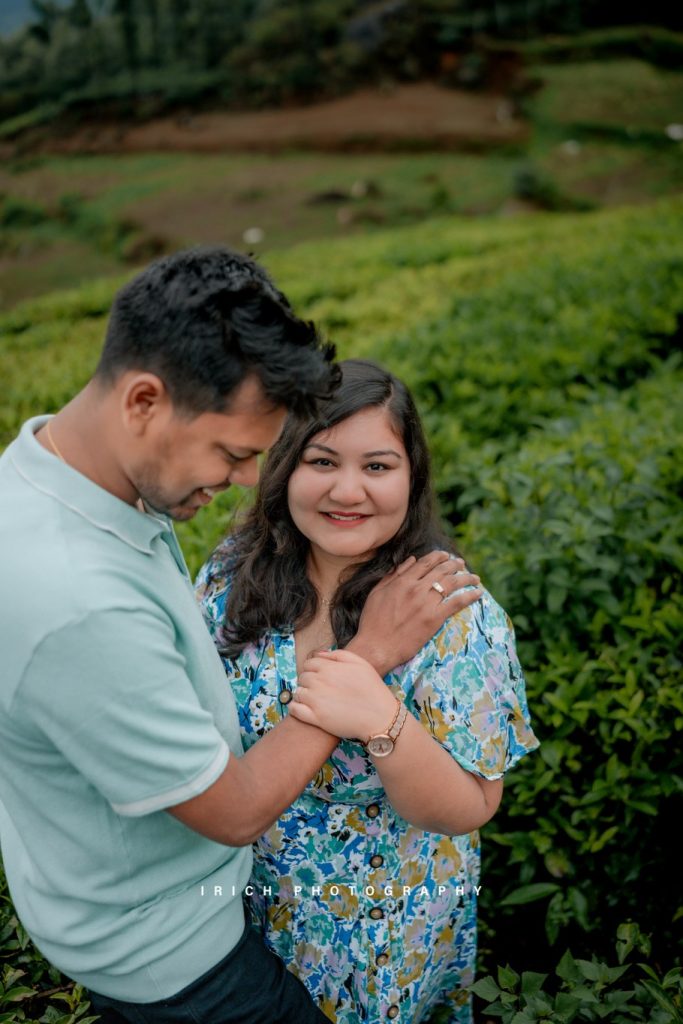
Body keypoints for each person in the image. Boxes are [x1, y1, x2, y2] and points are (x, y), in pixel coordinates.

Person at [0, 249, 478, 1024]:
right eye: (234, 453)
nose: (247, 481)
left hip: (212, 912)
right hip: (178, 958)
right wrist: (365, 662)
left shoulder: (64, 481)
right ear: (144, 401)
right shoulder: (79, 601)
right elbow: (233, 812)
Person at [196, 359, 540, 1024]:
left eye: (377, 467)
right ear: (283, 467)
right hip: (241, 904)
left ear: (412, 478)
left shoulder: (456, 616)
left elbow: (468, 807)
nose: (347, 490)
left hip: (382, 923)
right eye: (321, 461)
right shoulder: (231, 574)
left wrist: (381, 717)